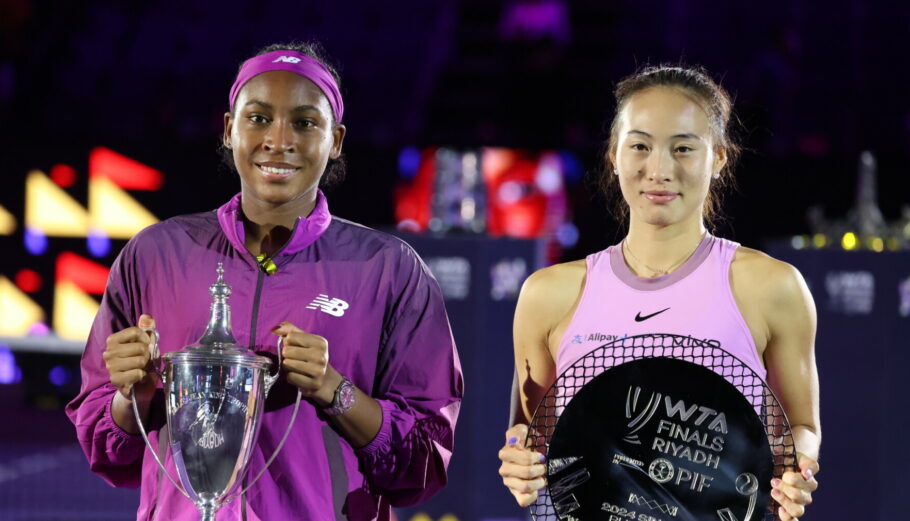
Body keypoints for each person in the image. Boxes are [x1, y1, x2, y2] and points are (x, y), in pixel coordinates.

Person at [65, 41, 463, 521]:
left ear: (335, 140)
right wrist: (133, 394)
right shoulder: (154, 254)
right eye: (258, 118)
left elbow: (423, 460)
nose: (279, 139)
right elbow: (105, 447)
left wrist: (334, 390)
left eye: (304, 122)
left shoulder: (390, 269)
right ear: (230, 130)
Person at [497, 65, 820, 521]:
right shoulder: (547, 294)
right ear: (614, 155)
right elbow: (527, 433)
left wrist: (797, 471)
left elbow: (801, 427)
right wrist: (518, 462)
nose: (660, 170)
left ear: (720, 158)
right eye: (640, 146)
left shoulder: (771, 287)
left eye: (684, 148)